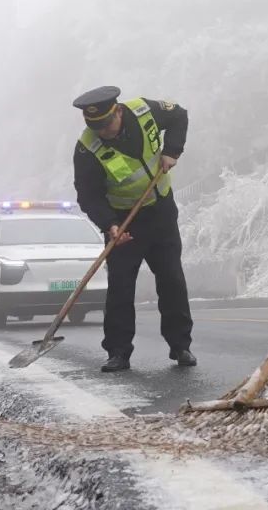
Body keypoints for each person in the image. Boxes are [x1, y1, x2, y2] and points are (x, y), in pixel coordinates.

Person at [72, 86, 196, 372]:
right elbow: (88, 196)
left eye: (107, 124)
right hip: (124, 222)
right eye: (96, 127)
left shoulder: (143, 110)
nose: (103, 132)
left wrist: (172, 151)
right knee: (120, 287)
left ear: (118, 111)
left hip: (161, 212)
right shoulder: (87, 148)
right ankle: (118, 352)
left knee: (172, 280)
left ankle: (181, 346)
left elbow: (179, 116)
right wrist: (110, 224)